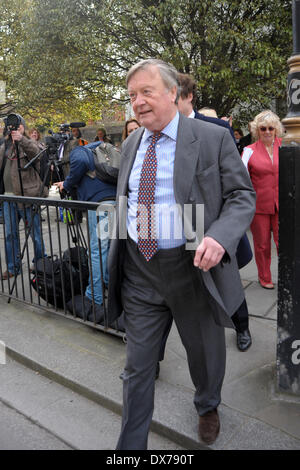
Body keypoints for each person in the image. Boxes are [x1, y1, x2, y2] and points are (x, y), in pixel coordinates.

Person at [107, 58, 256, 449]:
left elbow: (242, 196)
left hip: (192, 268)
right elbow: (129, 202)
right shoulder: (130, 143)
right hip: (140, 271)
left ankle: (208, 405)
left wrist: (219, 236)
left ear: (173, 93)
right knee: (137, 368)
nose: (137, 102)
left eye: (146, 92)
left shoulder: (211, 138)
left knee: (205, 355)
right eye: (132, 95)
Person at [177, 72, 253, 352]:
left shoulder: (216, 130)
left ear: (188, 97)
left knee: (224, 281)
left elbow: (237, 185)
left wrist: (222, 232)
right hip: (179, 224)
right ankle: (154, 355)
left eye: (175, 97)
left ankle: (242, 326)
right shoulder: (157, 133)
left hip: (212, 224)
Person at [54, 140, 119, 310]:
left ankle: (94, 296)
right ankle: (110, 287)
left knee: (97, 251)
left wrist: (66, 184)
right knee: (111, 249)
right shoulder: (103, 147)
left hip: (100, 205)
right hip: (118, 203)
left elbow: (81, 162)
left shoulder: (79, 150)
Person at [0, 115, 48, 279]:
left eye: (18, 125)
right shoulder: (5, 145)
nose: (14, 128)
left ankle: (41, 265)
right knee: (10, 234)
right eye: (11, 126)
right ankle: (13, 267)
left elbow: (37, 153)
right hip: (8, 198)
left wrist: (21, 140)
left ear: (23, 127)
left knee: (35, 234)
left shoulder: (29, 143)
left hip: (27, 197)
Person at [242, 110, 284, 289]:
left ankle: (287, 275)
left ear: (276, 130)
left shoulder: (285, 146)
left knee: (284, 243)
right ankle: (264, 277)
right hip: (258, 205)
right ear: (256, 130)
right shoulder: (249, 151)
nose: (267, 131)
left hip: (283, 204)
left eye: (271, 128)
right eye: (263, 128)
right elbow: (241, 179)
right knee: (262, 245)